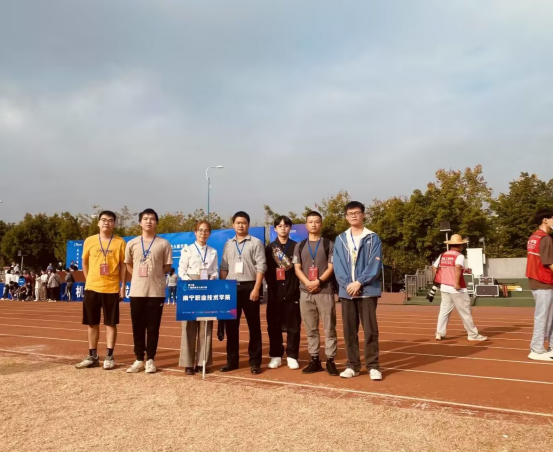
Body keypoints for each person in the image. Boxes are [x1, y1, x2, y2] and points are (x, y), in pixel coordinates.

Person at [334, 202, 384, 381]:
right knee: (349, 331)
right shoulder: (340, 239)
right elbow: (338, 265)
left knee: (370, 330)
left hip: (367, 290)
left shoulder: (373, 238)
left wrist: (359, 283)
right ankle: (352, 365)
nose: (354, 216)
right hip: (347, 291)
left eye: (357, 212)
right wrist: (349, 284)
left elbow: (375, 264)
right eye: (350, 213)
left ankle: (373, 366)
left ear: (363, 215)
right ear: (346, 217)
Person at [75, 211, 127, 371]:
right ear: (98, 223)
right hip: (92, 287)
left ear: (114, 224)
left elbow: (123, 266)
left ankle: (109, 356)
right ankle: (92, 356)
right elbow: (84, 262)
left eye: (110, 220)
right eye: (103, 220)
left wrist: (122, 286)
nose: (106, 222)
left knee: (111, 323)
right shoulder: (89, 241)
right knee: (92, 323)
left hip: (111, 288)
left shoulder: (120, 242)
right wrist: (88, 280)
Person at [125, 209, 173, 374]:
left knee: (153, 327)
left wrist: (155, 274)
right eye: (145, 219)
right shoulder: (132, 243)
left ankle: (150, 359)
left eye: (152, 219)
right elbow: (128, 264)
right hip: (137, 291)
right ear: (140, 222)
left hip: (156, 292)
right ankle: (139, 359)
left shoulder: (163, 244)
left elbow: (167, 266)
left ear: (156, 223)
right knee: (137, 327)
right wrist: (138, 276)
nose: (148, 221)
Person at [220, 211, 267, 375]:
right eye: (238, 222)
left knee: (254, 326)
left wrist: (256, 288)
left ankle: (255, 362)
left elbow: (261, 266)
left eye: (244, 222)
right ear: (233, 225)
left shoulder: (256, 243)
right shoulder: (228, 244)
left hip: (250, 287)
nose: (241, 225)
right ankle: (232, 361)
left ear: (248, 224)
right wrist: (224, 287)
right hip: (231, 287)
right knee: (231, 327)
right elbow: (224, 267)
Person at [294, 211, 339, 377]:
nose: (313, 224)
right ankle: (314, 359)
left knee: (329, 327)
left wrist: (318, 281)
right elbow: (297, 268)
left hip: (324, 291)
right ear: (306, 225)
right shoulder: (300, 246)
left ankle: (330, 360)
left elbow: (331, 267)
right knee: (310, 327)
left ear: (321, 224)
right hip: (305, 292)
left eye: (317, 221)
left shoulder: (329, 244)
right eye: (310, 222)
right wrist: (308, 283)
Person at [178, 221, 219, 375]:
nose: (203, 233)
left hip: (207, 288)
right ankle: (188, 363)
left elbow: (214, 270)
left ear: (210, 233)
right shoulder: (187, 250)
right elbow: (182, 271)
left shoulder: (213, 251)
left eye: (206, 230)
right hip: (190, 288)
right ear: (195, 232)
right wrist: (191, 284)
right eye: (200, 230)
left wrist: (212, 277)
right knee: (188, 326)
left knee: (206, 325)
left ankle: (203, 362)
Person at [433, 234, 488, 343]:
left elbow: (434, 267)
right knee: (465, 312)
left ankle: (439, 333)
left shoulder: (443, 255)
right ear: (459, 245)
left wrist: (441, 278)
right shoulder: (459, 256)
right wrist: (457, 283)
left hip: (445, 287)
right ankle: (472, 334)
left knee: (444, 311)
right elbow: (458, 268)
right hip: (457, 289)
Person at [265, 216, 301, 371]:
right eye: (280, 226)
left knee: (294, 326)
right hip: (275, 294)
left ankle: (292, 356)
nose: (283, 228)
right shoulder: (269, 248)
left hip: (292, 293)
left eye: (286, 226)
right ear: (275, 229)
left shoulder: (296, 247)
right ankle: (276, 355)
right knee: (274, 326)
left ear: (290, 228)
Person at [526, 208, 554, 362]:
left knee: (547, 316)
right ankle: (536, 348)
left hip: (536, 280)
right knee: (543, 317)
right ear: (545, 220)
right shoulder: (545, 238)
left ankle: (549, 346)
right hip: (544, 281)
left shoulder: (533, 237)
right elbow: (549, 262)